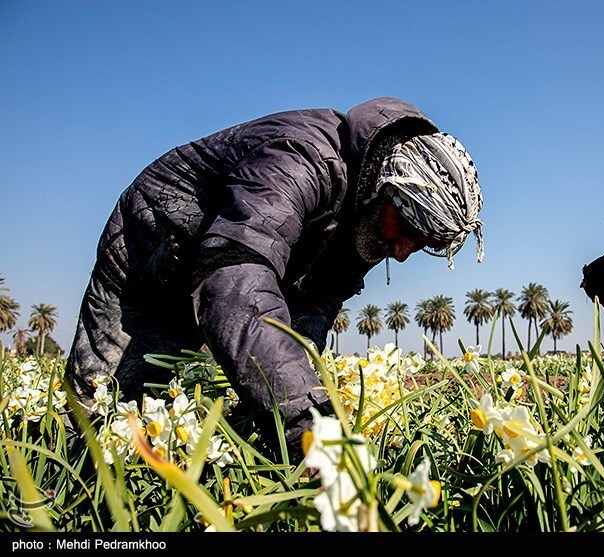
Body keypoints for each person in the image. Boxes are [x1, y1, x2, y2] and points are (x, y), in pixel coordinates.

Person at [65, 96, 484, 452]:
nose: (404, 251)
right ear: (386, 191)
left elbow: (316, 303)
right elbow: (233, 276)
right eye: (409, 231)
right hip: (153, 252)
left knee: (192, 413)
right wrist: (309, 426)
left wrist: (305, 395)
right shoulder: (300, 159)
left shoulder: (371, 219)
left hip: (215, 273)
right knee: (106, 405)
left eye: (424, 242)